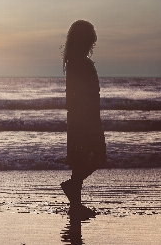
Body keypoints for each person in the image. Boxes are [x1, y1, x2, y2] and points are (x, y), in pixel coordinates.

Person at [60, 20, 106, 218]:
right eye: (90, 37)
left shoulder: (74, 62)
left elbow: (74, 95)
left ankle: (75, 204)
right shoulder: (79, 63)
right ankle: (74, 196)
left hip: (83, 117)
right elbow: (77, 95)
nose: (92, 41)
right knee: (96, 157)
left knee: (84, 159)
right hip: (84, 118)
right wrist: (82, 120)